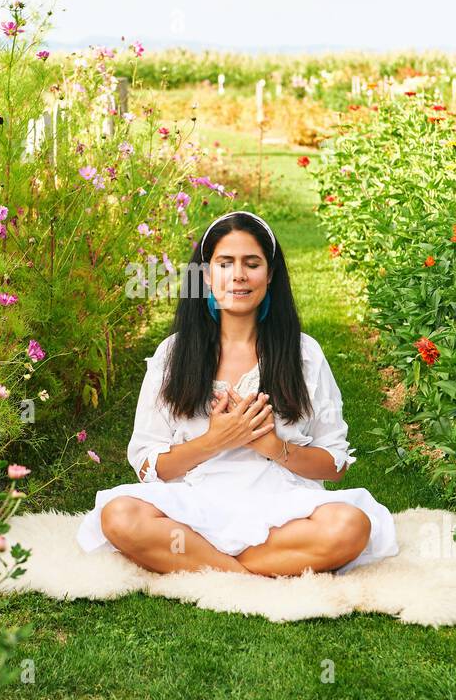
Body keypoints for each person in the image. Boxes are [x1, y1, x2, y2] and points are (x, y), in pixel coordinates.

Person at [75, 210, 401, 577]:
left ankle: (209, 567)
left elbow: (335, 463)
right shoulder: (174, 354)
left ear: (271, 274)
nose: (239, 276)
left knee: (350, 526)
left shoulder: (303, 353)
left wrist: (274, 448)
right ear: (206, 275)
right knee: (120, 516)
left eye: (252, 263)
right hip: (194, 508)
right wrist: (215, 441)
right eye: (225, 263)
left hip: (283, 509)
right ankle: (251, 574)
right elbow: (150, 466)